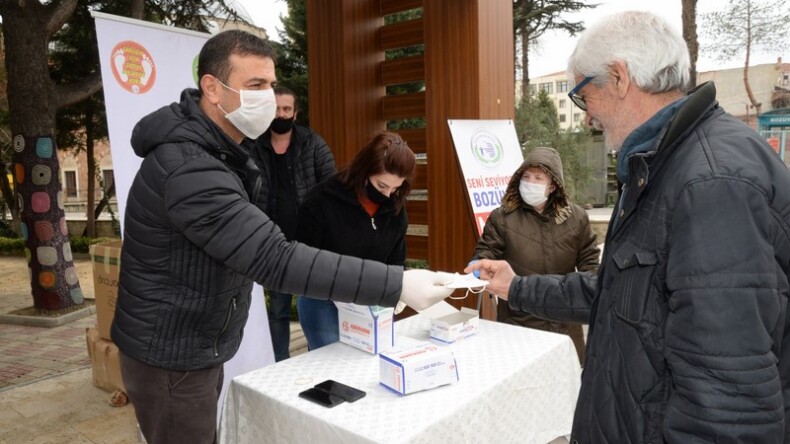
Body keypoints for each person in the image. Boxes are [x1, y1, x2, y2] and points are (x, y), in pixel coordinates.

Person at [112, 30, 453, 444]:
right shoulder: (190, 168)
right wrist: (397, 283)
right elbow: (275, 259)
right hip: (171, 353)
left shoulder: (222, 153)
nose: (269, 98)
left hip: (190, 345)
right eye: (255, 86)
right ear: (212, 89)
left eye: (271, 85)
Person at [467, 11, 790, 443]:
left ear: (619, 77)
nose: (585, 118)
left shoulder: (710, 182)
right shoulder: (663, 164)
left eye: (584, 96)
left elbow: (727, 400)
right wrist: (516, 287)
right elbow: (619, 292)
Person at [471, 147, 599, 363]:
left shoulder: (575, 218)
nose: (530, 182)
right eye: (526, 176)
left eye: (538, 178)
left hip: (565, 328)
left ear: (552, 186)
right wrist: (480, 267)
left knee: (566, 391)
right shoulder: (503, 218)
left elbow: (590, 265)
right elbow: (485, 254)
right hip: (518, 328)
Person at [295, 131, 415, 350]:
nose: (388, 194)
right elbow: (303, 262)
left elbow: (396, 257)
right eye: (381, 186)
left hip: (371, 302)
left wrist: (398, 289)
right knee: (330, 367)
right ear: (365, 170)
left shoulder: (395, 208)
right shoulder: (322, 201)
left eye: (395, 188)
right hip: (323, 301)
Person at [250, 86, 335, 361]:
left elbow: (332, 186)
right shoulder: (253, 145)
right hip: (273, 242)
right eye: (276, 109)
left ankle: (317, 363)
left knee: (314, 305)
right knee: (278, 309)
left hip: (310, 243)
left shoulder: (312, 144)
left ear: (295, 113)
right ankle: (280, 364)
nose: (281, 114)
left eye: (287, 109)